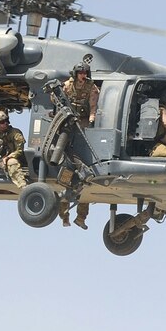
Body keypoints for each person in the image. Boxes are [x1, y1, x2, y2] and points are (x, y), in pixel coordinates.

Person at [59, 63, 99, 229]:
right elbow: (59, 101)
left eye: (85, 72)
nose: (83, 75)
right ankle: (64, 217)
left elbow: (93, 105)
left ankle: (81, 218)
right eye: (80, 72)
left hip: (82, 122)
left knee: (84, 189)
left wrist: (91, 120)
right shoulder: (67, 86)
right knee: (65, 185)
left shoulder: (92, 87)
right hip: (68, 121)